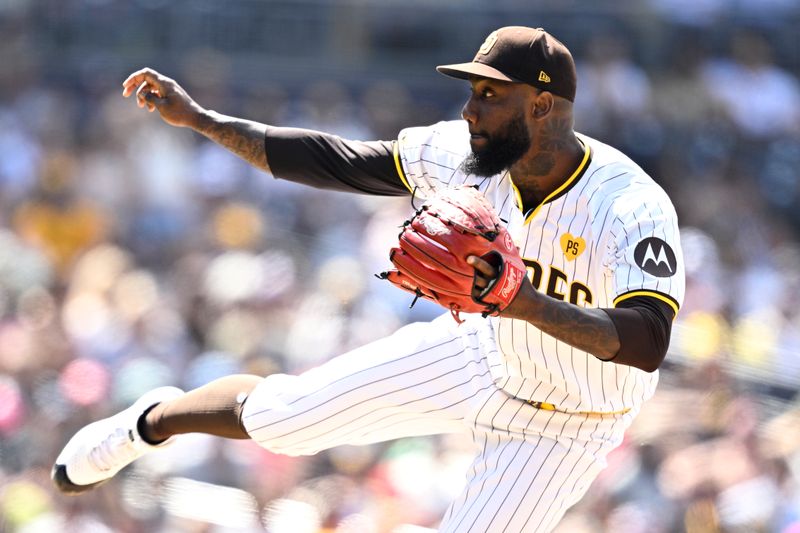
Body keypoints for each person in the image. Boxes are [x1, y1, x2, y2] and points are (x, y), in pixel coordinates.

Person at [52, 26, 684, 532]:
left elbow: (649, 340)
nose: (470, 109)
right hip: (480, 358)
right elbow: (339, 161)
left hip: (570, 420)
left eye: (490, 95)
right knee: (287, 419)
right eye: (471, 91)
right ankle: (149, 421)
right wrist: (203, 121)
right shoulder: (467, 157)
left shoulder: (628, 204)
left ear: (542, 105)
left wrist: (523, 303)